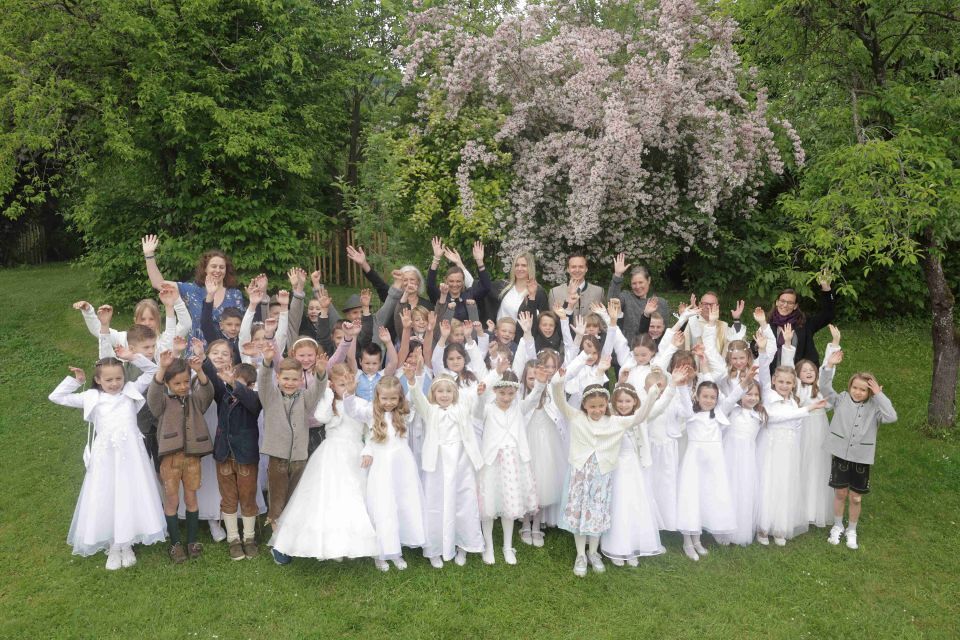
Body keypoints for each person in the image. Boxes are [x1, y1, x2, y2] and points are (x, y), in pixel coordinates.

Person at [48, 357, 166, 570]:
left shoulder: (130, 391)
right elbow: (56, 396)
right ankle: (113, 545)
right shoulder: (92, 397)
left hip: (131, 456)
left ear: (124, 377)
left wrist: (132, 357)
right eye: (109, 380)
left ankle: (126, 543)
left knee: (129, 493)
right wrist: (76, 381)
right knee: (108, 494)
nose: (114, 383)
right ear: (98, 380)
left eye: (118, 378)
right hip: (106, 457)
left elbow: (153, 371)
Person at [550, 374, 660, 577]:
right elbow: (559, 401)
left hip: (602, 477)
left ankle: (593, 553)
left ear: (606, 405)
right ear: (584, 405)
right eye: (592, 406)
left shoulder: (615, 422)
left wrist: (652, 395)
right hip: (580, 474)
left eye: (601, 406)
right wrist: (558, 382)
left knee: (597, 514)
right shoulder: (576, 417)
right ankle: (580, 554)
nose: (597, 410)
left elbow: (640, 417)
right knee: (579, 514)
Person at [269, 365, 379, 562]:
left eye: (348, 383)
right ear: (332, 385)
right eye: (341, 384)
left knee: (351, 494)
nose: (345, 388)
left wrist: (368, 449)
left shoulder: (362, 404)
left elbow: (371, 429)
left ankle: (346, 543)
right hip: (331, 452)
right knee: (323, 496)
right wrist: (327, 394)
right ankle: (305, 542)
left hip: (354, 453)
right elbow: (321, 418)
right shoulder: (329, 402)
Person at [344, 376, 426, 572]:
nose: (389, 403)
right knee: (383, 506)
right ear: (377, 397)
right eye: (385, 398)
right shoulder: (370, 413)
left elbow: (416, 397)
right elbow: (352, 410)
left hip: (402, 465)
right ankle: (381, 551)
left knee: (401, 504)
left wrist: (414, 379)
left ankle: (396, 550)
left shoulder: (404, 413)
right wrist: (350, 393)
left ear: (399, 398)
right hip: (381, 465)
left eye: (393, 399)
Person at [819, 350, 897, 550]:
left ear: (870, 392)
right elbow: (824, 387)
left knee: (855, 497)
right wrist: (829, 366)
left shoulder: (875, 408)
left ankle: (851, 530)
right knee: (840, 493)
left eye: (863, 389)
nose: (858, 392)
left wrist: (879, 395)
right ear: (850, 387)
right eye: (855, 387)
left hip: (861, 458)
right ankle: (837, 526)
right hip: (840, 455)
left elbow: (892, 416)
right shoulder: (841, 399)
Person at [258, 342, 328, 565]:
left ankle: (292, 539)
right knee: (277, 501)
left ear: (300, 380)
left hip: (299, 458)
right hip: (278, 458)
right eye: (285, 378)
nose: (289, 383)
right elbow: (263, 380)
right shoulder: (270, 397)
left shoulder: (305, 398)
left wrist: (321, 372)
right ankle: (278, 544)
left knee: (294, 500)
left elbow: (318, 389)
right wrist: (267, 361)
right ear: (278, 378)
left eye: (294, 379)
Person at [407, 368, 485, 569]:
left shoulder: (461, 408)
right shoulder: (430, 411)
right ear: (433, 394)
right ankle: (434, 548)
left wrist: (493, 377)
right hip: (437, 464)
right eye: (440, 391)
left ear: (455, 393)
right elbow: (418, 399)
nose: (444, 395)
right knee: (436, 503)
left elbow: (477, 394)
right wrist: (412, 381)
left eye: (448, 391)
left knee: (463, 502)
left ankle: (463, 544)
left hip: (460, 462)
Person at [147, 350, 216, 563]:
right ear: (167, 384)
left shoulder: (195, 401)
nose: (183, 386)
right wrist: (161, 369)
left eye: (186, 382)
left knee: (191, 497)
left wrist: (199, 371)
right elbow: (153, 395)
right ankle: (175, 543)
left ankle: (192, 540)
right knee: (172, 499)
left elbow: (208, 392)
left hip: (192, 458)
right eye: (177, 383)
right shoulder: (162, 403)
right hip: (170, 460)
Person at [200, 352, 262, 561]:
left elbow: (251, 402)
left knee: (248, 497)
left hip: (246, 456)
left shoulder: (254, 398)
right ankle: (233, 539)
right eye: (231, 379)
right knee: (228, 498)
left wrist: (235, 383)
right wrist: (203, 357)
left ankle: (249, 538)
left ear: (250, 385)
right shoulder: (223, 394)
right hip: (224, 454)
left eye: (238, 381)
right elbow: (211, 375)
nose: (231, 382)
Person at [600, 382, 671, 566]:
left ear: (635, 402)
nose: (623, 405)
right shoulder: (610, 419)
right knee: (619, 505)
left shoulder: (641, 417)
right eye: (620, 401)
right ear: (613, 403)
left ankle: (632, 546)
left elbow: (659, 406)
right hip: (616, 469)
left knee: (635, 505)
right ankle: (617, 548)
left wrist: (672, 387)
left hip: (635, 468)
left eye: (627, 401)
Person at [473, 371, 539, 566]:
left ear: (516, 392)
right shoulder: (487, 408)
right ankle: (489, 546)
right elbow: (476, 412)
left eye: (511, 393)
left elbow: (534, 398)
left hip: (513, 462)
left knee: (509, 505)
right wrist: (480, 395)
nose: (507, 397)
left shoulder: (519, 407)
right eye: (502, 393)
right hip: (491, 461)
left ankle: (507, 546)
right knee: (488, 506)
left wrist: (541, 383)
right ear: (495, 391)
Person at [141, 234, 245, 342]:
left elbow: (241, 327)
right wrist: (149, 255)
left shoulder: (235, 295)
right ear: (205, 269)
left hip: (224, 350)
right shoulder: (192, 290)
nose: (218, 270)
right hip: (195, 350)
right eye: (213, 266)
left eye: (222, 267)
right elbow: (158, 283)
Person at [765, 274, 836, 371]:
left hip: (801, 374)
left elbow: (828, 314)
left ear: (795, 306)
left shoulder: (805, 323)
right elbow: (755, 348)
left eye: (790, 303)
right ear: (777, 302)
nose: (785, 305)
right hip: (773, 374)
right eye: (782, 301)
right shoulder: (768, 323)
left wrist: (826, 288)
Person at [607, 255, 670, 344]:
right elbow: (612, 302)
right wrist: (617, 276)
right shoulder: (626, 297)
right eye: (634, 283)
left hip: (653, 349)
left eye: (641, 282)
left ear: (649, 280)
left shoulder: (661, 303)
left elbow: (664, 332)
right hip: (627, 348)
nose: (637, 286)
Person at [426, 238, 491, 321]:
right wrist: (436, 258)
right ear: (446, 280)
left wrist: (480, 262)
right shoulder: (441, 295)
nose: (455, 284)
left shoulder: (470, 295)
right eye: (451, 281)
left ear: (463, 281)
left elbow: (486, 287)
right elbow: (430, 285)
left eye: (458, 281)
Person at [548, 253, 605, 318]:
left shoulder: (598, 292)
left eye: (581, 267)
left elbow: (602, 319)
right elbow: (552, 320)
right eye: (573, 267)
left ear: (586, 269)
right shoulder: (554, 292)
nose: (577, 270)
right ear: (568, 269)